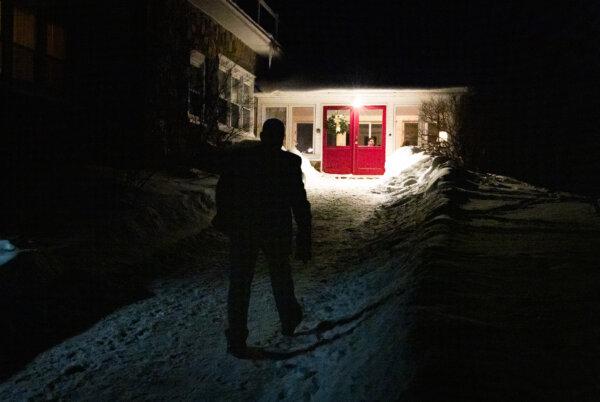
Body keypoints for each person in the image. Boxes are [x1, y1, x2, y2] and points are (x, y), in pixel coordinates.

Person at [212, 118, 312, 358]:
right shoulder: (288, 163)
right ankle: (288, 320)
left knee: (240, 285)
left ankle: (237, 338)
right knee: (281, 277)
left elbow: (223, 189)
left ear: (261, 134)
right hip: (275, 230)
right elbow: (299, 203)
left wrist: (225, 217)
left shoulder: (242, 159)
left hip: (244, 229)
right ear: (281, 138)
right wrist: (304, 237)